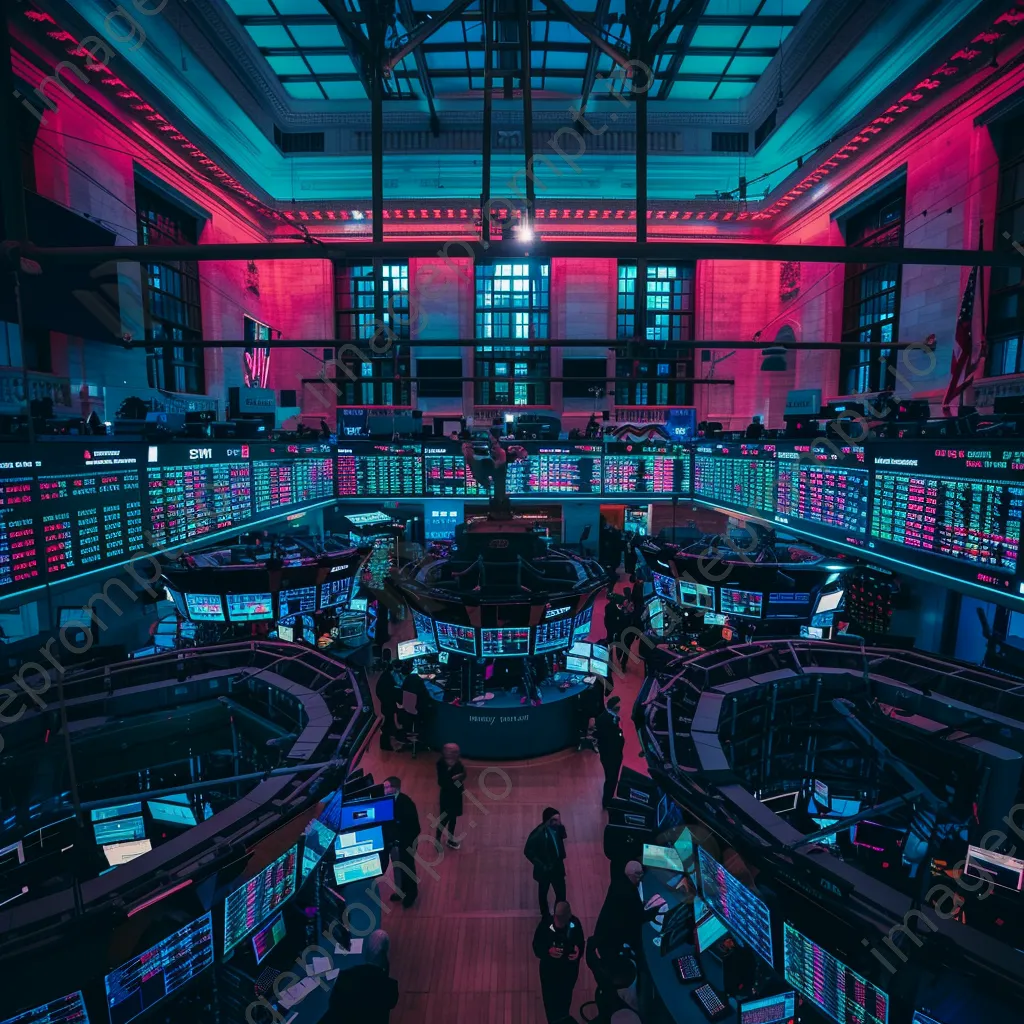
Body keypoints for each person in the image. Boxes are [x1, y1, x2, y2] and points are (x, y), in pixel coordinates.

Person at [326, 929, 398, 1024]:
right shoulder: (390, 987)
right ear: (385, 955)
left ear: (366, 950)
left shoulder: (344, 976)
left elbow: (333, 1003)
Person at [532, 900, 585, 1024]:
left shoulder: (575, 924)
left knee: (565, 1001)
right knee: (550, 1005)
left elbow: (581, 943)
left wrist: (578, 951)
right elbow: (536, 947)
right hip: (549, 974)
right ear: (554, 916)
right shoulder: (545, 925)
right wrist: (548, 951)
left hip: (568, 973)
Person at [593, 861, 660, 957]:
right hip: (613, 941)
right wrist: (654, 910)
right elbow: (638, 917)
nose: (641, 877)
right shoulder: (628, 894)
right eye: (640, 874)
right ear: (634, 875)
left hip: (606, 933)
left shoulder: (618, 882)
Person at [525, 807, 568, 918]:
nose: (559, 823)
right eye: (555, 820)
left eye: (559, 820)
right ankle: (545, 916)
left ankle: (557, 916)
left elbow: (562, 837)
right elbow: (528, 850)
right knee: (543, 893)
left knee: (561, 894)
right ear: (548, 821)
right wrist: (540, 865)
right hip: (545, 870)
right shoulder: (538, 833)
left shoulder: (558, 828)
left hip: (557, 867)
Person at [383, 777, 420, 907]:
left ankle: (411, 895)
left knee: (408, 868)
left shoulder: (406, 803)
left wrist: (403, 842)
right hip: (394, 843)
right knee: (397, 868)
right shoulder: (387, 801)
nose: (385, 790)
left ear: (395, 788)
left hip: (405, 844)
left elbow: (414, 828)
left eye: (387, 787)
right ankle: (400, 891)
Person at [435, 742, 466, 849]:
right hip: (446, 796)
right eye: (452, 751)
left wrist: (459, 779)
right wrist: (453, 779)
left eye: (456, 752)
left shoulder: (458, 763)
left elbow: (463, 775)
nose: (455, 753)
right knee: (444, 819)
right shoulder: (441, 764)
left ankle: (450, 839)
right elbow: (442, 782)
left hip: (456, 795)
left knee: (453, 818)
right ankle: (437, 840)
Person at [596, 696, 625, 808]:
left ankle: (609, 798)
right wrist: (620, 734)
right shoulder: (608, 721)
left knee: (612, 778)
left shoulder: (605, 718)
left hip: (610, 753)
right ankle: (607, 801)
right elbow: (614, 738)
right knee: (611, 778)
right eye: (618, 706)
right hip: (611, 755)